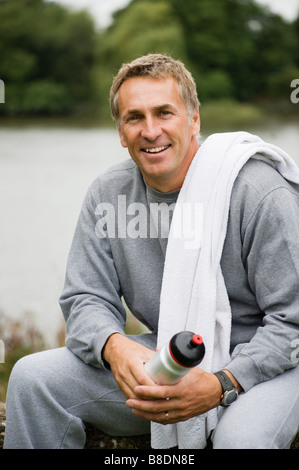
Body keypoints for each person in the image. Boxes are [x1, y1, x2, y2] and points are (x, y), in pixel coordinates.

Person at [4, 54, 299, 449]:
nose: (151, 130)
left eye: (164, 113)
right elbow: (85, 297)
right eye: (134, 118)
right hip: (173, 358)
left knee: (239, 441)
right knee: (32, 378)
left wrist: (221, 383)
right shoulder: (107, 194)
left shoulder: (259, 192)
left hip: (273, 364)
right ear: (121, 132)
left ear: (194, 120)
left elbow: (293, 322)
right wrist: (115, 345)